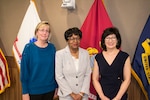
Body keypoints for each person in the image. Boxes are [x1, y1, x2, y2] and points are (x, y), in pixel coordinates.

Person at [20, 21, 58, 100]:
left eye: (47, 31)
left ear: (49, 34)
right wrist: (25, 92)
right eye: (42, 30)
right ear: (37, 32)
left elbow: (55, 69)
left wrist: (56, 87)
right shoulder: (28, 48)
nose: (44, 33)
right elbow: (24, 72)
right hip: (33, 91)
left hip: (50, 89)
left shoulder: (52, 48)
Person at [92, 27, 131, 100]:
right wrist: (102, 96)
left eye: (113, 38)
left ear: (118, 40)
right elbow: (95, 79)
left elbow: (127, 79)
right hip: (102, 94)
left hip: (120, 94)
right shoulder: (98, 57)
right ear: (103, 41)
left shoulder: (125, 56)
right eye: (108, 38)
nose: (110, 41)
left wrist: (117, 98)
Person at [55, 27, 91, 100]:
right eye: (72, 39)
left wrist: (81, 93)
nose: (75, 41)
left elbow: (87, 74)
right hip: (66, 95)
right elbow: (59, 76)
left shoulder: (85, 53)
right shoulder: (60, 54)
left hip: (82, 95)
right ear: (67, 40)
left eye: (77, 38)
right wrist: (72, 94)